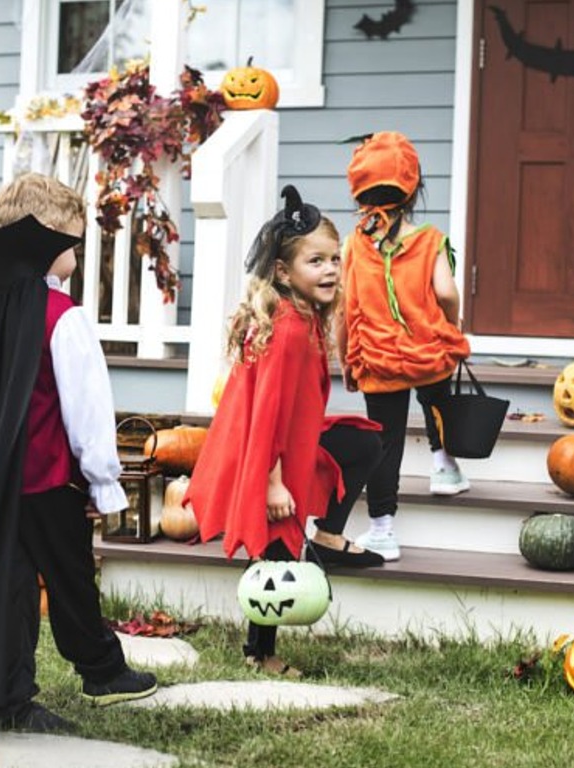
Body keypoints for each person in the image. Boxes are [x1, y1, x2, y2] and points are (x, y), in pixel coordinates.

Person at [0, 172, 157, 733]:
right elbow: (86, 411)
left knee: (10, 586)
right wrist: (106, 484)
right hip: (54, 483)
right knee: (71, 578)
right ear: (47, 241)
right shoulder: (65, 319)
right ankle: (100, 671)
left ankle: (8, 686)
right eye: (73, 240)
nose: (78, 249)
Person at [186, 185, 385, 678]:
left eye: (335, 260)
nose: (331, 270)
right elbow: (270, 410)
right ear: (283, 272)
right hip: (267, 452)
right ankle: (260, 652)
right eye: (315, 261)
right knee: (274, 550)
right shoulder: (290, 329)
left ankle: (328, 537)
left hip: (292, 441)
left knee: (363, 442)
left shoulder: (301, 316)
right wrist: (273, 481)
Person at [340, 131, 472, 564]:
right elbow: (447, 292)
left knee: (386, 442)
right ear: (413, 190)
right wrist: (450, 326)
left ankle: (383, 530)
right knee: (438, 405)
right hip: (428, 353)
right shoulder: (431, 240)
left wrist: (347, 360)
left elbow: (345, 308)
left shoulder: (353, 246)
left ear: (359, 191)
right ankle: (444, 467)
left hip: (378, 361)